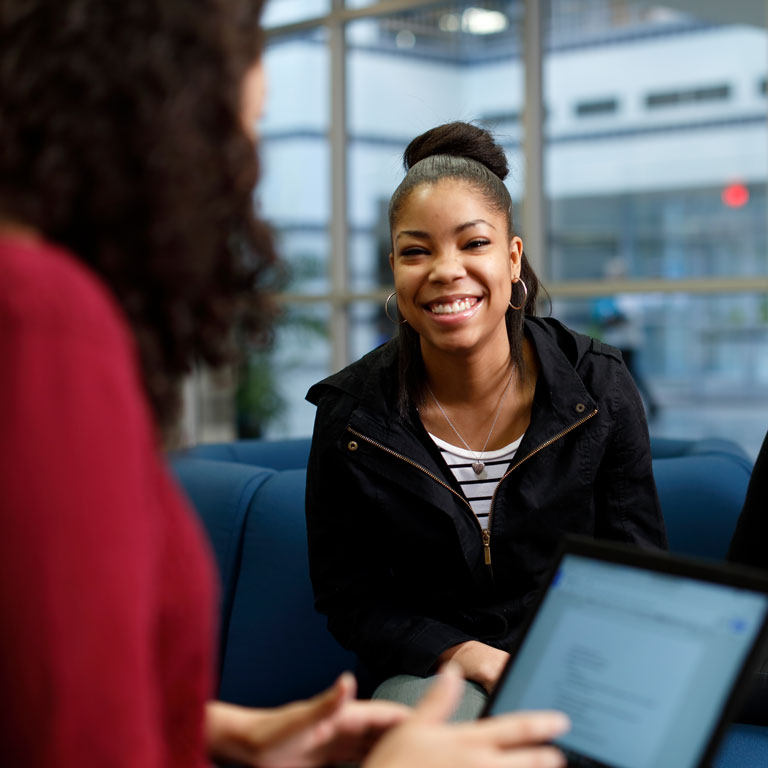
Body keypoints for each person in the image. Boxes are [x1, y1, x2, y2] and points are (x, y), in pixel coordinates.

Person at [0, 2, 571, 766]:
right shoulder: (44, 326)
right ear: (158, 130)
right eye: (245, 126)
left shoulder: (593, 383)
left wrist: (222, 731)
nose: (248, 165)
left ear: (512, 255)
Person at [305, 121, 668, 718]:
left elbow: (637, 567)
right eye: (417, 251)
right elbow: (352, 598)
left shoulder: (598, 384)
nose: (445, 270)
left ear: (512, 257)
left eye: (474, 244)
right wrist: (464, 654)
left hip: (576, 658)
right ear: (394, 267)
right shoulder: (351, 415)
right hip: (438, 670)